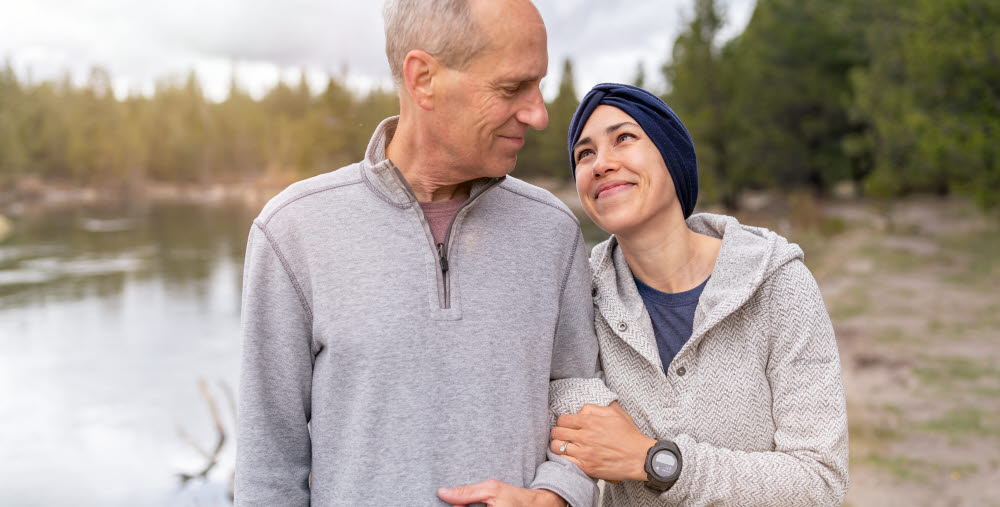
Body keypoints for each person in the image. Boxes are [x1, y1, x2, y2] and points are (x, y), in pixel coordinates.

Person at [234, 1, 617, 505]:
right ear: (424, 78)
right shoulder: (292, 232)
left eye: (539, 85)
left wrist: (558, 494)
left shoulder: (553, 230)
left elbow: (580, 398)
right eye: (511, 88)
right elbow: (269, 473)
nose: (539, 114)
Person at [547, 83, 849, 506]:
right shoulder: (580, 293)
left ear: (671, 158)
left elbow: (820, 483)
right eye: (585, 153)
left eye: (624, 138)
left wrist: (654, 461)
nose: (601, 164)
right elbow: (563, 403)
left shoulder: (778, 284)